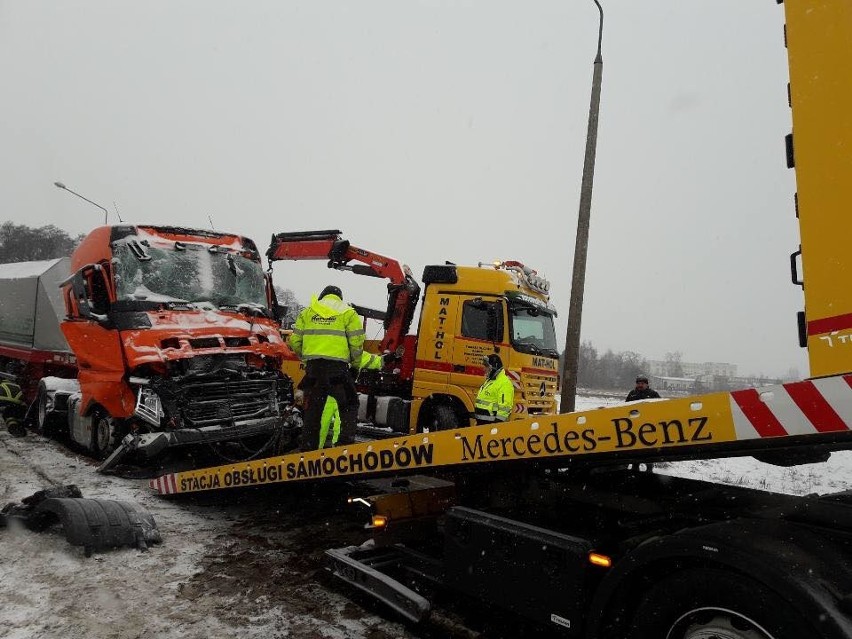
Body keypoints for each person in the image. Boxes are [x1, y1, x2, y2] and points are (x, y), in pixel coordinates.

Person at [288, 285, 365, 451]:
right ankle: (344, 448)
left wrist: (309, 357)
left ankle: (308, 451)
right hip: (338, 371)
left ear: (323, 296)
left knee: (312, 412)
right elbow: (357, 344)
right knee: (349, 405)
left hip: (313, 371)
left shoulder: (308, 312)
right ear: (339, 297)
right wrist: (355, 366)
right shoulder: (348, 312)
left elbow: (294, 342)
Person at [317, 350, 387, 448]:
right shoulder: (356, 355)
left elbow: (376, 361)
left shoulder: (331, 352)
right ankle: (335, 454)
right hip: (341, 397)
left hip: (330, 397)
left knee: (322, 428)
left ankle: (315, 455)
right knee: (337, 429)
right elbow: (376, 361)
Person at [473, 354, 515, 425]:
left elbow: (505, 408)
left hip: (491, 425)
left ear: (494, 367)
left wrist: (496, 426)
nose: (484, 369)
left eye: (487, 366)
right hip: (482, 424)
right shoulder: (490, 380)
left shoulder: (504, 383)